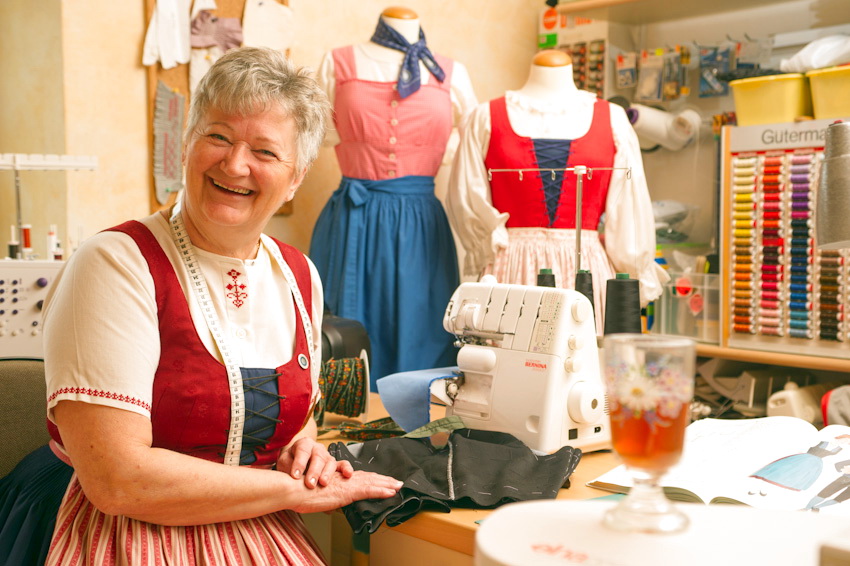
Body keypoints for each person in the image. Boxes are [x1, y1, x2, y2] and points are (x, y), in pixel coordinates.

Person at [20, 46, 402, 565]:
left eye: (265, 152)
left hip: (256, 521)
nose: (235, 164)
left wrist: (304, 448)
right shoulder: (115, 263)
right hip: (115, 527)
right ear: (187, 144)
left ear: (296, 176)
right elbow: (118, 481)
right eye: (218, 137)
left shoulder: (299, 276)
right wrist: (293, 492)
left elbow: (299, 417)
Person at [309, 7, 478, 389]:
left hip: (421, 228)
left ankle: (420, 417)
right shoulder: (337, 64)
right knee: (345, 336)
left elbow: (475, 145)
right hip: (353, 218)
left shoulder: (450, 74)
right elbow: (311, 134)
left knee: (423, 329)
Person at [446, 49, 668, 331]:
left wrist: (635, 268)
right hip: (511, 272)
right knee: (509, 354)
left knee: (582, 352)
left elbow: (630, 208)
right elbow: (466, 200)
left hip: (586, 273)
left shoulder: (613, 119)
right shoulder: (484, 118)